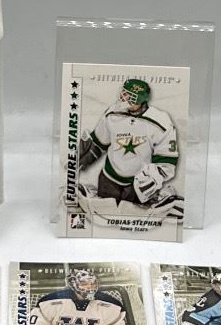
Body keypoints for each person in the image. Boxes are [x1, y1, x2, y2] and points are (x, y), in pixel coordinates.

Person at [75, 78, 181, 219]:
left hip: (137, 184)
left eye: (128, 95)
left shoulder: (160, 122)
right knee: (103, 215)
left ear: (140, 99)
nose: (122, 97)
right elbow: (99, 142)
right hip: (109, 178)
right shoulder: (113, 113)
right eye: (123, 93)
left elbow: (167, 157)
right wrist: (82, 158)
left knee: (131, 217)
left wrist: (156, 176)